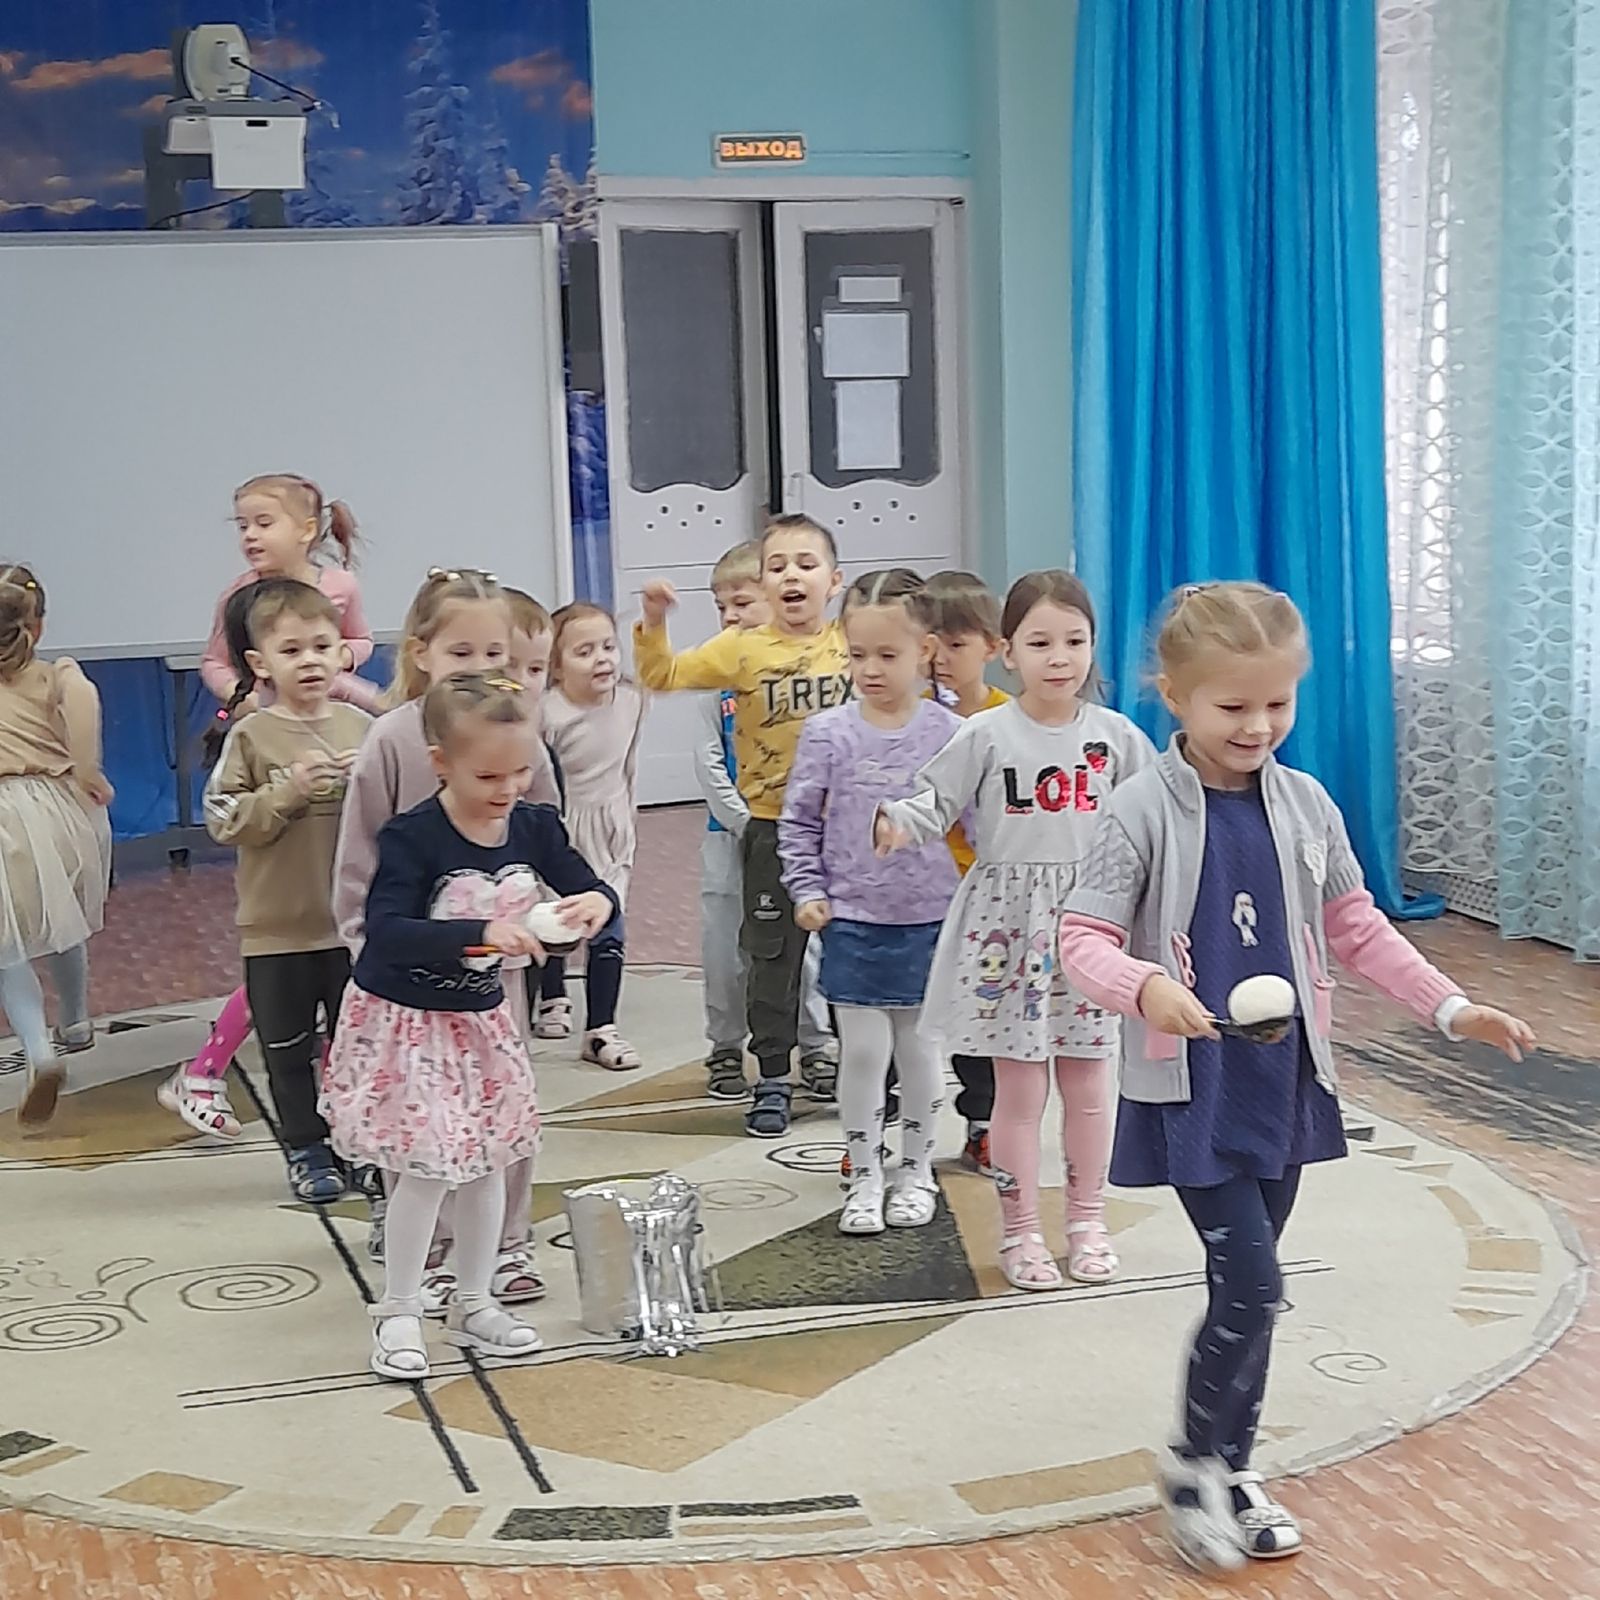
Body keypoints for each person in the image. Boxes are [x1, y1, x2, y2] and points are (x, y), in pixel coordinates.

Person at [1058, 581, 1536, 1572]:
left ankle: (1233, 1467)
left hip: (1282, 1083)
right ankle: (1191, 1465)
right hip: (1191, 1092)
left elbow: (1356, 926)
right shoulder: (1137, 810)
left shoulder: (1307, 804)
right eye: (1233, 705)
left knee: (1252, 1292)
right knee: (1253, 1280)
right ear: (1173, 696)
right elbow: (1080, 940)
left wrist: (1450, 1006)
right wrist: (1146, 987)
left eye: (1277, 703)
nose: (1258, 725)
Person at [320, 672, 617, 1380]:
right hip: (406, 1023)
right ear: (441, 763)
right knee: (425, 1168)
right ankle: (399, 1310)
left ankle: (474, 1300)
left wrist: (597, 905)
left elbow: (588, 882)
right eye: (488, 775)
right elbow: (387, 930)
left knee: (489, 1161)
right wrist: (481, 931)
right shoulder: (413, 836)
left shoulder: (534, 825)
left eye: (521, 771)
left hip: (481, 1022)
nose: (508, 788)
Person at [875, 571, 1153, 1288]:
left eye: (1074, 641)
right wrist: (895, 823)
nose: (1059, 658)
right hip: (1008, 931)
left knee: (1090, 1088)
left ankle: (1087, 1220)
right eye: (1040, 642)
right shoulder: (985, 733)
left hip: (1091, 929)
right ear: (1008, 651)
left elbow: (1154, 820)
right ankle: (1021, 1231)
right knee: (1019, 1095)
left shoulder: (1118, 737)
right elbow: (932, 802)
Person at [332, 568, 558, 1310]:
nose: (481, 670)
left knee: (502, 1110)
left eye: (496, 656)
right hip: (409, 984)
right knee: (415, 1115)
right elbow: (360, 860)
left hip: (494, 977)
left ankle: (506, 1246)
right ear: (422, 652)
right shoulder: (393, 740)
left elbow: (545, 839)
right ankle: (424, 1247)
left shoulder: (518, 729)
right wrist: (368, 950)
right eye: (462, 654)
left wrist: (550, 919)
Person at [634, 513, 850, 1137]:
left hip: (848, 834)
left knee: (852, 954)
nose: (791, 576)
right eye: (777, 567)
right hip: (774, 829)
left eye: (806, 564)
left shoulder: (850, 644)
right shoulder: (742, 648)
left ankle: (860, 1070)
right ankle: (773, 1077)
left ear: (834, 581)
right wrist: (653, 622)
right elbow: (662, 675)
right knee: (771, 961)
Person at [781, 570, 961, 1223]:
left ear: (925, 650)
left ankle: (917, 1171)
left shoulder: (952, 732)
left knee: (920, 1051)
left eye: (888, 654)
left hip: (931, 920)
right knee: (861, 1053)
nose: (872, 669)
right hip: (852, 920)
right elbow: (798, 821)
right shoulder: (828, 732)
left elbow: (976, 824)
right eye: (859, 655)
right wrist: (807, 888)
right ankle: (862, 1173)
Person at [195, 580, 370, 1201]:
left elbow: (400, 816)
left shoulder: (364, 728)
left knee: (358, 1048)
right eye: (291, 650)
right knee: (288, 1051)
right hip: (277, 930)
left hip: (354, 929)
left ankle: (359, 1144)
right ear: (260, 663)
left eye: (322, 646)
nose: (310, 661)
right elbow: (222, 819)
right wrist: (286, 793)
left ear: (343, 652)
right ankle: (306, 1148)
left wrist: (366, 788)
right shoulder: (251, 736)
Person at [696, 541, 837, 1101]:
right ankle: (726, 1046)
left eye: (742, 604)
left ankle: (815, 1045)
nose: (730, 617)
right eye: (721, 607)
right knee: (727, 948)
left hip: (798, 836)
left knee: (802, 947)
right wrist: (745, 822)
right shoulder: (719, 677)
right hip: (733, 835)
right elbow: (708, 758)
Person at [0, 566, 113, 1126]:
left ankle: (40, 1051)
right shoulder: (56, 673)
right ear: (37, 626)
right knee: (63, 913)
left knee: (7, 943)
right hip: (60, 810)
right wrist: (88, 770)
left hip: (5, 819)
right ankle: (76, 1019)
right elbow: (85, 699)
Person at [924, 569, 1010, 1176]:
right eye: (930, 645)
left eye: (957, 644)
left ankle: (984, 1124)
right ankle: (886, 1129)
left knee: (985, 1015)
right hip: (920, 895)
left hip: (991, 897)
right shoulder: (910, 717)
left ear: (993, 648)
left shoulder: (1009, 719)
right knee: (914, 1017)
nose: (941, 659)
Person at [535, 602, 644, 1070]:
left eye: (608, 647)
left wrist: (628, 819)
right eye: (584, 652)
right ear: (556, 667)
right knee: (554, 919)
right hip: (563, 827)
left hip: (613, 826)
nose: (602, 659)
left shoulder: (631, 700)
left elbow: (628, 764)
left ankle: (601, 1029)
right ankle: (552, 993)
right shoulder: (547, 713)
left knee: (609, 922)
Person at [200, 473, 378, 715]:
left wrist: (340, 656)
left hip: (331, 701)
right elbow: (215, 662)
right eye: (243, 526)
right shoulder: (238, 597)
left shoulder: (341, 585)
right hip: (268, 709)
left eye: (264, 524)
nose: (250, 535)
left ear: (307, 530)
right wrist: (237, 694)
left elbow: (361, 639)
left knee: (382, 705)